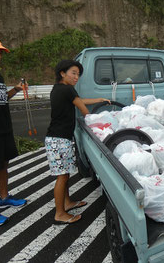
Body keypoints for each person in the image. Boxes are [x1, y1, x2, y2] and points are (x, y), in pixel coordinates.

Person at [45, 59, 110, 225]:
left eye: (78, 75)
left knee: (64, 175)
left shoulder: (59, 89)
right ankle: (59, 213)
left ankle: (67, 203)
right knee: (61, 177)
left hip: (57, 138)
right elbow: (83, 109)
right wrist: (96, 123)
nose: (76, 77)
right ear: (62, 73)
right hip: (59, 139)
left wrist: (99, 100)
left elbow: (79, 100)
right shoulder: (67, 89)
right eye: (73, 73)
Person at [0, 36, 28, 228]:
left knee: (2, 164)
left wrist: (15, 90)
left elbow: (0, 98)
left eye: (1, 53)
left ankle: (4, 197)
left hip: (3, 130)